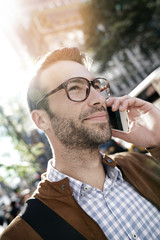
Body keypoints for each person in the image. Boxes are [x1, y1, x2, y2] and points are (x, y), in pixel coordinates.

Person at [0, 47, 160, 240]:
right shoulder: (22, 234)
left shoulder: (141, 164)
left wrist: (157, 140)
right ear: (41, 120)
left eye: (96, 87)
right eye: (75, 88)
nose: (99, 99)